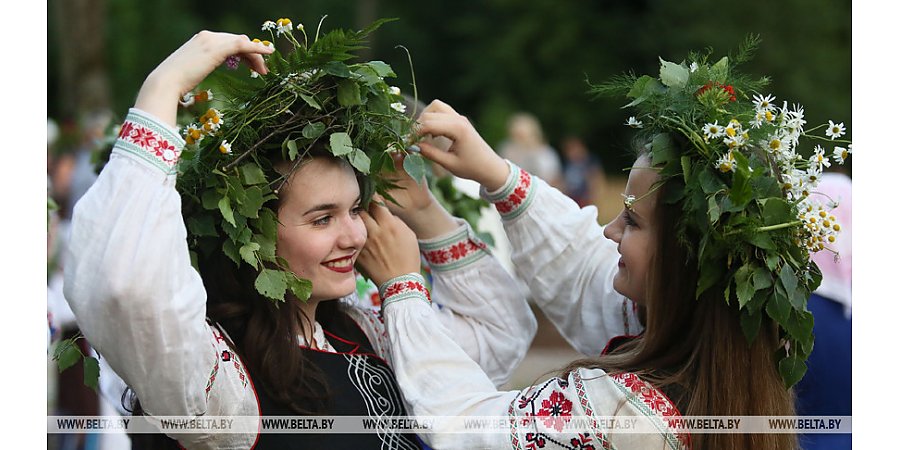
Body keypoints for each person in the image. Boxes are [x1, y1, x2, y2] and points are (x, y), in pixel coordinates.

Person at [63, 27, 536, 449]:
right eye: (322, 218)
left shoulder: (365, 331)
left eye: (355, 209)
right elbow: (125, 287)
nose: (355, 235)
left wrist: (422, 213)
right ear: (255, 235)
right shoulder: (216, 377)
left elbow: (500, 333)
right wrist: (163, 88)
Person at [357, 46, 851, 449]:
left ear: (683, 262)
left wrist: (402, 288)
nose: (611, 230)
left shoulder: (621, 416)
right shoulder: (726, 361)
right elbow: (584, 274)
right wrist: (491, 177)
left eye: (633, 220)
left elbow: (469, 428)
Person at [497, 112, 563, 189]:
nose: (518, 140)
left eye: (521, 135)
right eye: (515, 135)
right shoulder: (506, 149)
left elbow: (553, 180)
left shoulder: (545, 153)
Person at [560, 135, 605, 208]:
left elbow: (596, 181)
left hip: (584, 199)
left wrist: (593, 196)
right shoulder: (567, 164)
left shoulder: (590, 162)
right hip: (570, 198)